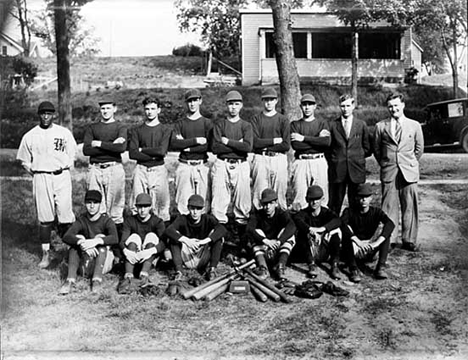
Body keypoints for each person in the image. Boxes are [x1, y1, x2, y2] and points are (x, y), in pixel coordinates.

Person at [16, 101, 77, 269]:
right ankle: (46, 254)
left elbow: (72, 155)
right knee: (45, 218)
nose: (45, 116)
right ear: (39, 115)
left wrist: (62, 168)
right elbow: (24, 161)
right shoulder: (30, 135)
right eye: (43, 113)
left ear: (53, 115)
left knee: (65, 215)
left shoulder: (63, 133)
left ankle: (71, 251)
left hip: (61, 175)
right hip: (41, 176)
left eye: (49, 113)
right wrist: (37, 174)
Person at [373, 93, 424, 251]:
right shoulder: (381, 126)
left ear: (403, 105)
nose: (393, 109)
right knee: (389, 206)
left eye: (396, 105)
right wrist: (385, 162)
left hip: (408, 171)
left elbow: (419, 149)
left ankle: (409, 239)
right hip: (389, 171)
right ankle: (390, 238)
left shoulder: (414, 125)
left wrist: (409, 162)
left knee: (409, 205)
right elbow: (376, 148)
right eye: (390, 106)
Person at [211, 90, 253, 237]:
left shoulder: (246, 125)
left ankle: (241, 242)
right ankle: (220, 241)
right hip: (222, 163)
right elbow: (215, 147)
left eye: (236, 104)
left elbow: (247, 147)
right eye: (230, 104)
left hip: (241, 164)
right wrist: (238, 145)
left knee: (243, 203)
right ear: (226, 106)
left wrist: (228, 141)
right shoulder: (220, 124)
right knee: (219, 202)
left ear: (241, 105)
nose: (233, 107)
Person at [59, 190, 118, 295]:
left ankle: (96, 280)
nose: (92, 206)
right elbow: (66, 236)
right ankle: (70, 280)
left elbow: (115, 238)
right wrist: (83, 243)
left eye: (95, 203)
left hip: (102, 262)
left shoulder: (106, 220)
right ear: (85, 204)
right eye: (89, 202)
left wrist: (95, 242)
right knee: (75, 243)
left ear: (100, 204)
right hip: (85, 262)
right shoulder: (82, 219)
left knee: (101, 241)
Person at [82, 99, 127, 229]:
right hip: (95, 168)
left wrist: (100, 144)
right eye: (103, 109)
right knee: (96, 205)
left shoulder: (120, 127)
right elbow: (86, 150)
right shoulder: (93, 127)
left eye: (108, 108)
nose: (105, 111)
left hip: (114, 167)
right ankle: (98, 238)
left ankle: (115, 242)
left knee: (116, 207)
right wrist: (112, 145)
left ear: (115, 109)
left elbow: (121, 148)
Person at [128, 97, 172, 222]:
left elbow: (162, 152)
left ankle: (161, 236)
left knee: (161, 205)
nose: (150, 112)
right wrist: (152, 153)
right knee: (138, 202)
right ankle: (138, 233)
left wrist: (142, 150)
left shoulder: (165, 130)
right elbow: (132, 153)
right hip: (141, 169)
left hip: (158, 169)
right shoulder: (137, 130)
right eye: (147, 109)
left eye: (153, 109)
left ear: (159, 110)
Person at [340, 183, 395, 282]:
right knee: (346, 234)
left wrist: (376, 243)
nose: (364, 200)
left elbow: (390, 224)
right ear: (356, 198)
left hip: (370, 246)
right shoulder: (349, 211)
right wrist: (356, 240)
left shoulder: (376, 212)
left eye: (367, 197)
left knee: (386, 235)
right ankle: (353, 269)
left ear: (371, 198)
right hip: (355, 247)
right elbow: (341, 224)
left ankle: (380, 268)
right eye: (361, 197)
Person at [327, 94, 371, 215]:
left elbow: (367, 147)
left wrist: (357, 157)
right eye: (342, 106)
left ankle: (355, 231)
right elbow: (328, 148)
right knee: (335, 203)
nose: (345, 109)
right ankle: (332, 230)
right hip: (338, 170)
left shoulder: (361, 125)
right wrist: (335, 160)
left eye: (347, 106)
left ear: (353, 106)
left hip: (356, 170)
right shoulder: (332, 125)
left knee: (356, 203)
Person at [171, 89, 213, 215]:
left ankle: (203, 232)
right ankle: (184, 231)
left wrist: (186, 145)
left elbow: (210, 146)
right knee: (183, 203)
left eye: (195, 100)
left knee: (203, 202)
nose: (192, 104)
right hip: (185, 165)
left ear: (200, 101)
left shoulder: (207, 123)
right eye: (189, 101)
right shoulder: (180, 123)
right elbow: (175, 144)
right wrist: (196, 140)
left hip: (202, 164)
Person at [165, 194, 226, 281]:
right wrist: (186, 240)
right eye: (192, 208)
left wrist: (204, 241)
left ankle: (212, 269)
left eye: (198, 209)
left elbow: (222, 229)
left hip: (202, 254)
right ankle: (179, 271)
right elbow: (169, 230)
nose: (195, 212)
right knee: (173, 238)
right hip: (186, 254)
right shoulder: (183, 219)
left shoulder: (208, 219)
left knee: (218, 238)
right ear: (188, 208)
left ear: (203, 209)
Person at [118, 193, 166, 293]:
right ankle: (128, 276)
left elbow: (164, 242)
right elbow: (122, 241)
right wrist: (127, 251)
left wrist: (150, 251)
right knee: (134, 237)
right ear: (136, 207)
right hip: (133, 257)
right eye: (140, 207)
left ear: (151, 207)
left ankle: (144, 274)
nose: (142, 210)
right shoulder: (130, 221)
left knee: (151, 236)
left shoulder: (157, 221)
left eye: (146, 206)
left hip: (149, 258)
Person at [251, 88, 290, 210]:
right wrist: (273, 141)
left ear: (276, 101)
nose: (269, 102)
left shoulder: (283, 119)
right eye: (266, 100)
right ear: (262, 101)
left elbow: (285, 145)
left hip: (278, 158)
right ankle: (258, 223)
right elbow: (255, 143)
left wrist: (264, 144)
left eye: (271, 99)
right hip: (261, 158)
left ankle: (281, 222)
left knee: (279, 193)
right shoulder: (256, 119)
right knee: (259, 193)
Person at [290, 93, 331, 210]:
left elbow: (325, 143)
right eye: (304, 105)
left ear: (315, 106)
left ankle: (320, 225)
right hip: (301, 161)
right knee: (300, 195)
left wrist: (303, 138)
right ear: (300, 106)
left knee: (321, 195)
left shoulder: (322, 123)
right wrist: (317, 139)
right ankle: (301, 224)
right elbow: (296, 145)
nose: (307, 107)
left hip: (318, 160)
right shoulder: (295, 124)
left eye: (310, 104)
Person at [292, 185, 341, 279]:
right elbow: (297, 219)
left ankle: (335, 265)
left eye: (317, 199)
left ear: (322, 199)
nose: (314, 202)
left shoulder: (326, 213)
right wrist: (310, 230)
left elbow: (338, 220)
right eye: (311, 199)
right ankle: (311, 264)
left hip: (323, 249)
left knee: (335, 232)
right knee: (303, 232)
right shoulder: (304, 213)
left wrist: (323, 229)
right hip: (308, 250)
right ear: (306, 199)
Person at [246, 188, 296, 280]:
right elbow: (249, 229)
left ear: (276, 203)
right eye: (265, 204)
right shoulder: (257, 215)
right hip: (263, 249)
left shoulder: (281, 213)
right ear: (261, 204)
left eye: (271, 203)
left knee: (290, 235)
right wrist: (266, 241)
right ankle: (263, 268)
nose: (268, 207)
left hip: (278, 249)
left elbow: (292, 226)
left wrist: (279, 241)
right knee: (256, 233)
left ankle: (280, 266)